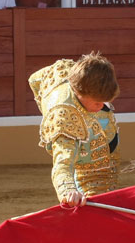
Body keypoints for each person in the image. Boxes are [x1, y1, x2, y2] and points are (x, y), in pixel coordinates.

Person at [29, 52, 121, 207]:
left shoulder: (74, 72)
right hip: (88, 169)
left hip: (99, 143)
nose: (102, 106)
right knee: (96, 207)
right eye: (97, 103)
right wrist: (68, 190)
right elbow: (63, 164)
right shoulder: (64, 118)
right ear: (79, 92)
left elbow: (35, 79)